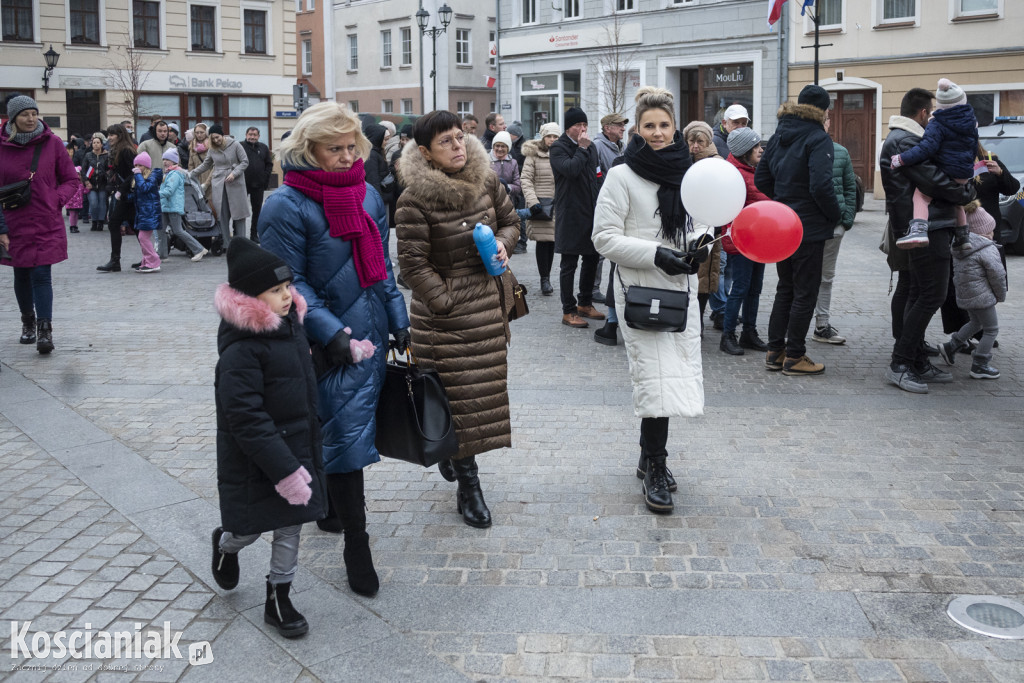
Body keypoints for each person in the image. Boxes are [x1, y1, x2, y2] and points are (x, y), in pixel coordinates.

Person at [258, 102, 409, 597]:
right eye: (334, 148)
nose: (346, 156)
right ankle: (357, 547)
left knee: (345, 431)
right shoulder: (285, 203)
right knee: (343, 436)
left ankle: (332, 512)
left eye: (352, 147)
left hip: (368, 334)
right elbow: (288, 279)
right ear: (309, 149)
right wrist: (332, 333)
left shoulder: (366, 194)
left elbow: (378, 267)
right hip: (322, 344)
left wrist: (397, 316)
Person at [592, 86, 713, 514]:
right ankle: (657, 464)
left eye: (664, 125)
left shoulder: (691, 173)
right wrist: (657, 253)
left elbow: (700, 222)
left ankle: (648, 457)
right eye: (649, 126)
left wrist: (700, 246)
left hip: (681, 289)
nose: (658, 133)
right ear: (637, 131)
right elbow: (603, 237)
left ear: (675, 126)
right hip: (641, 290)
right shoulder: (623, 175)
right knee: (655, 377)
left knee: (672, 375)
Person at [395, 109, 518, 529]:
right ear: (426, 153)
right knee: (461, 401)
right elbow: (412, 264)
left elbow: (511, 222)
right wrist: (445, 301)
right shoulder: (414, 199)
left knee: (479, 399)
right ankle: (469, 485)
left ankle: (456, 458)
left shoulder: (485, 179)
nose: (457, 146)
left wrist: (502, 243)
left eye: (459, 137)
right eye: (445, 141)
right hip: (444, 320)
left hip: (487, 308)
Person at [211, 237, 328, 639]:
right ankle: (226, 545)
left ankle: (279, 596)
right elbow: (245, 418)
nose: (286, 296)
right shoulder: (240, 353)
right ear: (250, 298)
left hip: (295, 447)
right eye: (275, 290)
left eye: (287, 287)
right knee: (249, 528)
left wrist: (351, 348)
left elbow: (302, 375)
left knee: (291, 526)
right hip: (256, 460)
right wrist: (284, 472)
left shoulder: (290, 329)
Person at [880, 87, 977, 393]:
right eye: (932, 112)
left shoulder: (903, 138)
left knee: (919, 292)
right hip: (925, 227)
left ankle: (915, 359)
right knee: (930, 295)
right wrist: (967, 192)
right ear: (923, 113)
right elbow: (935, 181)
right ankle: (902, 362)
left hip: (924, 226)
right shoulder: (907, 140)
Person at [755, 84, 841, 376]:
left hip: (784, 225)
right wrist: (834, 215)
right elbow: (821, 185)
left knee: (785, 288)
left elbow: (761, 177)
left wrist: (782, 202)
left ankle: (775, 351)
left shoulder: (780, 135)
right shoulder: (818, 138)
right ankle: (795, 356)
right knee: (805, 292)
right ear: (823, 111)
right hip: (810, 227)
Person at [0, 95, 78, 354]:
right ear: (13, 118)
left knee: (42, 274)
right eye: (25, 114)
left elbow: (71, 179)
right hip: (13, 222)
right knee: (21, 274)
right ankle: (28, 322)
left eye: (34, 113)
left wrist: (55, 199)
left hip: (46, 219)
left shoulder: (53, 143)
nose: (31, 118)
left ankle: (45, 329)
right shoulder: (1, 147)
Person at [890, 79, 978, 250]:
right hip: (964, 173)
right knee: (958, 202)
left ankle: (919, 230)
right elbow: (974, 147)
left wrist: (901, 159)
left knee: (921, 196)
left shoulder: (937, 124)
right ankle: (963, 236)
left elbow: (926, 149)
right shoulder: (972, 123)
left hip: (947, 169)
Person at [550, 107, 605, 328]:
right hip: (570, 212)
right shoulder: (558, 148)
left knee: (592, 258)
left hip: (591, 211)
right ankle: (568, 310)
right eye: (577, 126)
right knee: (569, 263)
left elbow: (596, 174)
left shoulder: (591, 148)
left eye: (585, 125)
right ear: (568, 127)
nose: (582, 130)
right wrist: (582, 149)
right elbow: (570, 170)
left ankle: (585, 302)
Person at [936, 204, 1005, 379]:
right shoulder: (987, 249)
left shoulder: (961, 247)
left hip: (966, 295)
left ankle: (951, 346)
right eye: (991, 230)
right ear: (982, 231)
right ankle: (980, 364)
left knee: (976, 323)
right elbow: (998, 275)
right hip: (983, 297)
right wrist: (1000, 295)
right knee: (991, 329)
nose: (993, 233)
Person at [720, 127, 770, 356]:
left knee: (754, 289)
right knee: (739, 289)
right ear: (744, 152)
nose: (760, 149)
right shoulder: (733, 174)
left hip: (759, 241)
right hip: (741, 242)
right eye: (756, 147)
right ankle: (727, 335)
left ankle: (749, 333)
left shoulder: (753, 169)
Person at [812, 112, 858, 346]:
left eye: (827, 118)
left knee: (826, 277)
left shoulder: (840, 151)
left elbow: (851, 188)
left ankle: (822, 324)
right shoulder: (805, 149)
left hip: (834, 227)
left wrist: (846, 219)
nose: (824, 121)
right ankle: (796, 324)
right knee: (803, 277)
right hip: (808, 227)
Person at [682, 120, 724, 333]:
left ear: (708, 142)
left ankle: (698, 319)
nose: (695, 146)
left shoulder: (716, 163)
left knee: (705, 278)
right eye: (692, 141)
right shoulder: (683, 161)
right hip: (685, 228)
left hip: (709, 229)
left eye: (700, 142)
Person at [190, 124, 251, 247]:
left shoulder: (235, 145)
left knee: (239, 214)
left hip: (235, 182)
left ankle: (242, 244)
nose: (216, 140)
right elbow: (206, 164)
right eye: (213, 139)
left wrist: (234, 173)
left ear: (222, 135)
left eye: (217, 137)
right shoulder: (212, 149)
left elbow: (245, 161)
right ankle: (226, 244)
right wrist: (191, 174)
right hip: (219, 184)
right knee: (222, 214)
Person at [521, 122, 560, 297]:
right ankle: (545, 279)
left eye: (555, 136)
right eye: (549, 136)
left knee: (552, 242)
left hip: (559, 206)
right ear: (543, 137)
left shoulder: (562, 154)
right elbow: (526, 180)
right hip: (541, 206)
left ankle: (548, 277)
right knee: (543, 242)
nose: (552, 139)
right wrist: (532, 201)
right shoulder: (533, 155)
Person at [96, 124, 138, 272]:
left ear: (119, 136)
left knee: (115, 223)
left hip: (127, 195)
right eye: (109, 135)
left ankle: (116, 261)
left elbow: (134, 172)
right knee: (134, 225)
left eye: (112, 135)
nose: (109, 138)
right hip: (125, 193)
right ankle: (149, 257)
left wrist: (122, 188)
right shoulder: (119, 150)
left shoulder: (126, 150)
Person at [159, 149, 208, 262]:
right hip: (165, 206)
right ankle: (162, 255)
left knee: (178, 230)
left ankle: (199, 249)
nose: (165, 162)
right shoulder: (168, 173)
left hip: (173, 207)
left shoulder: (175, 174)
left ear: (174, 161)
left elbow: (169, 191)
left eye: (168, 160)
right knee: (160, 230)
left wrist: (155, 195)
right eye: (164, 159)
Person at [129, 152, 162, 273]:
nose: (137, 167)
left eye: (140, 165)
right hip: (144, 213)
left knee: (143, 238)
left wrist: (137, 175)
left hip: (150, 213)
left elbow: (144, 188)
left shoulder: (151, 177)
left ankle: (154, 261)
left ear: (146, 166)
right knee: (142, 238)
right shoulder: (141, 178)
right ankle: (147, 261)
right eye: (136, 165)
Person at [242, 127, 273, 243]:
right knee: (240, 211)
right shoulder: (240, 146)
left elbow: (269, 164)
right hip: (242, 185)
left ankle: (254, 235)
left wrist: (265, 179)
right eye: (250, 134)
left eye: (255, 135)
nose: (252, 137)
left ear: (258, 136)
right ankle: (238, 234)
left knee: (257, 211)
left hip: (258, 185)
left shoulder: (263, 148)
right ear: (246, 135)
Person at [489, 131, 522, 211]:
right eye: (497, 146)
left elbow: (518, 186)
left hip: (508, 203)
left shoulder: (513, 163)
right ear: (493, 146)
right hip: (490, 203)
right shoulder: (486, 161)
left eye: (503, 146)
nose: (500, 149)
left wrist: (507, 187)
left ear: (508, 148)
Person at [82, 133, 108, 232]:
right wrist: (86, 181)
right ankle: (94, 221)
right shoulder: (88, 155)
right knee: (93, 203)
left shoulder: (106, 155)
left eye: (98, 143)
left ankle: (101, 222)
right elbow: (83, 170)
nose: (96, 144)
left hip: (102, 184)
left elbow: (109, 168)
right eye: (94, 143)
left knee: (102, 204)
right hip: (91, 184)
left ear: (101, 144)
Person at [63, 142, 86, 234]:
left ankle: (75, 225)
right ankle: (72, 226)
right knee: (72, 214)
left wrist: (86, 188)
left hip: (77, 201)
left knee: (75, 214)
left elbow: (84, 190)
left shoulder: (80, 183)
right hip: (72, 201)